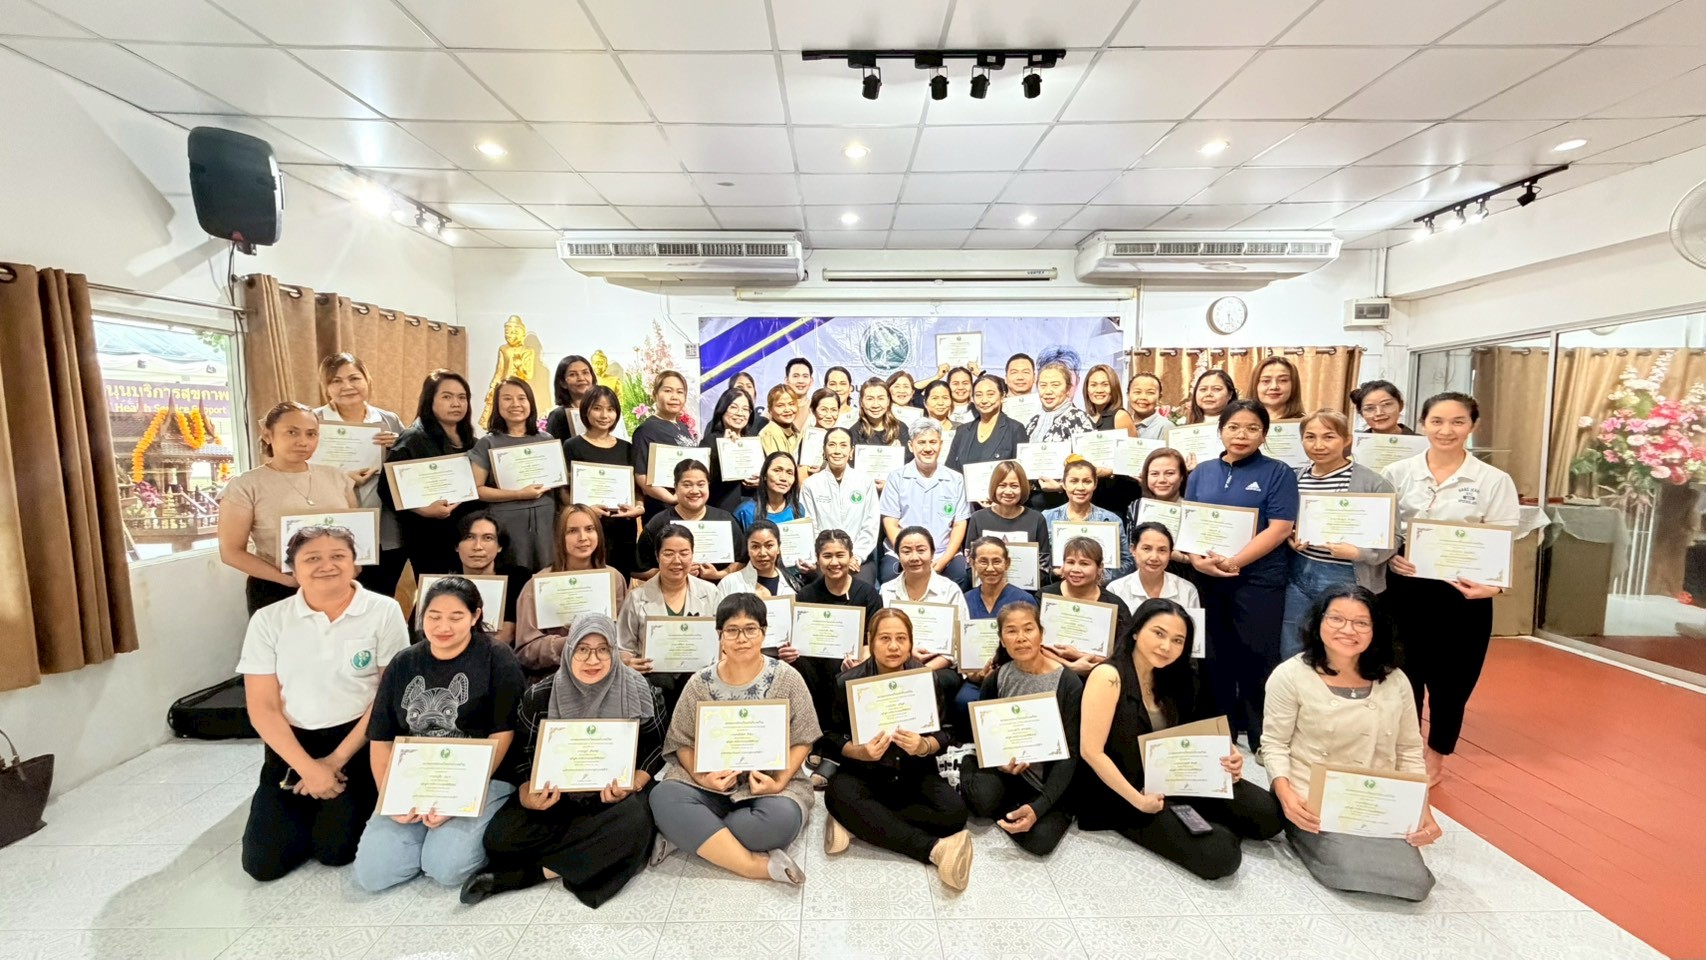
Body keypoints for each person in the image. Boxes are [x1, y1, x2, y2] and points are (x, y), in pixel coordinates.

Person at [237, 525, 408, 881]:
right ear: (293, 569)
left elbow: (386, 695)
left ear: (355, 564)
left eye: (338, 556)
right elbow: (263, 707)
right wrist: (309, 768)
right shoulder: (268, 620)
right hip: (291, 745)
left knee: (335, 851)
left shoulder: (383, 610)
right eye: (312, 558)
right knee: (263, 865)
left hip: (356, 742)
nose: (326, 566)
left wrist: (335, 760)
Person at [464, 613, 664, 907]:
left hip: (615, 798)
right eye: (582, 649)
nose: (593, 660)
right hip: (559, 797)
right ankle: (590, 852)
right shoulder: (540, 696)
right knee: (499, 838)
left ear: (614, 651)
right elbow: (522, 754)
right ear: (569, 650)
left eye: (603, 649)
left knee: (634, 824)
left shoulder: (639, 689)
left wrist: (635, 781)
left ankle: (529, 874)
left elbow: (655, 746)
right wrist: (527, 791)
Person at [1076, 598, 1283, 879]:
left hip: (1174, 775)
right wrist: (1138, 800)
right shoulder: (1108, 676)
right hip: (1126, 789)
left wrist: (1228, 755)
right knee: (1222, 855)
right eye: (1158, 633)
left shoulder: (1178, 675)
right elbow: (1091, 751)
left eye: (1177, 640)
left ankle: (1199, 817)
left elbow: (1199, 728)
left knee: (1269, 815)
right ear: (1136, 631)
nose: (1166, 647)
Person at [1262, 584, 1440, 900]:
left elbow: (1409, 749)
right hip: (1313, 799)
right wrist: (1286, 796)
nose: (1348, 630)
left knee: (1414, 883)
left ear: (1375, 630)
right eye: (1337, 619)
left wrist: (1420, 807)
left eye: (1361, 623)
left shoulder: (1395, 679)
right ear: (1318, 622)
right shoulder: (1290, 675)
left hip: (1377, 799)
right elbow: (1275, 744)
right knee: (1348, 870)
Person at [353, 576, 527, 892]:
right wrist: (391, 798)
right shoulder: (403, 662)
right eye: (434, 616)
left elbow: (502, 734)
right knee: (374, 874)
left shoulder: (497, 657)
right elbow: (381, 738)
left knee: (446, 868)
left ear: (475, 616)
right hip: (415, 776)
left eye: (456, 616)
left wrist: (457, 798)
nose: (443, 626)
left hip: (479, 777)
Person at [1382, 392, 1519, 784]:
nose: (1446, 430)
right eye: (1437, 421)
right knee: (1402, 675)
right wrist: (1391, 556)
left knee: (1452, 682)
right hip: (1405, 589)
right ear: (1422, 424)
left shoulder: (1493, 480)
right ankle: (1406, 751)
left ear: (1473, 426)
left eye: (1458, 421)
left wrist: (1494, 589)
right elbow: (1384, 529)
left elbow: (1504, 540)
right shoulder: (1397, 473)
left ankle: (1437, 753)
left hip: (1463, 595)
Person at [649, 593, 820, 885]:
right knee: (663, 796)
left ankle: (689, 833)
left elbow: (804, 738)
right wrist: (702, 778)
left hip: (769, 785)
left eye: (750, 629)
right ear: (720, 636)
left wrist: (778, 782)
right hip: (707, 785)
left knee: (779, 823)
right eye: (732, 630)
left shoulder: (787, 678)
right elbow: (681, 741)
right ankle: (754, 865)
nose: (741, 639)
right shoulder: (699, 683)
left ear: (764, 632)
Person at [822, 609, 973, 890]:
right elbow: (830, 736)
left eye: (901, 638)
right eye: (885, 638)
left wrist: (924, 745)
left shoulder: (927, 679)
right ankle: (935, 850)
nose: (893, 646)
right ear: (871, 641)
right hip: (865, 773)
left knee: (955, 815)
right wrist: (860, 752)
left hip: (914, 771)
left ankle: (857, 822)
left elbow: (947, 732)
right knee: (836, 794)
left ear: (911, 642)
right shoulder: (847, 682)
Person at [1182, 400, 1299, 753]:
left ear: (1264, 434)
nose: (1241, 435)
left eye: (1252, 428)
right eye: (1233, 427)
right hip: (1208, 578)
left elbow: (1280, 528)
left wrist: (1235, 562)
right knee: (1214, 655)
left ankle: (1262, 737)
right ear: (1220, 431)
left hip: (1258, 581)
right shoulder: (1202, 472)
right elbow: (1191, 523)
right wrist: (1195, 560)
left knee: (1257, 656)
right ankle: (1223, 732)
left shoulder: (1278, 472)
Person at [960, 601, 1083, 856]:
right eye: (1011, 631)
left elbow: (1071, 754)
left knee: (1040, 841)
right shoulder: (997, 678)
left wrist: (1040, 807)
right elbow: (985, 736)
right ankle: (966, 764)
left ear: (1041, 634)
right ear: (1002, 640)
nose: (1021, 638)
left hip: (1047, 777)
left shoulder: (1068, 683)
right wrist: (998, 763)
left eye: (1028, 629)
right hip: (1008, 771)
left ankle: (1025, 806)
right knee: (982, 800)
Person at [220, 402, 361, 614]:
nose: (303, 442)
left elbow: (356, 535)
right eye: (292, 432)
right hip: (276, 590)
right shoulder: (245, 485)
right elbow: (231, 552)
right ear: (268, 435)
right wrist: (287, 580)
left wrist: (352, 569)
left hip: (336, 587)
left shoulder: (337, 477)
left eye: (311, 434)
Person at [1281, 409, 1398, 658]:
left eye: (1329, 437)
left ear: (1347, 440)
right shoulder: (1295, 478)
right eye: (1310, 437)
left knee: (1342, 648)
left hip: (1348, 575)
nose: (1318, 445)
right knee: (1293, 644)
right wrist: (1291, 538)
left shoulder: (1373, 483)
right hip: (1300, 573)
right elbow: (1287, 522)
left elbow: (1393, 538)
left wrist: (1358, 552)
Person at [312, 352, 406, 597]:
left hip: (385, 530)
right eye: (336, 381)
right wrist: (344, 480)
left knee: (381, 596)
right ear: (326, 387)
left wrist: (399, 444)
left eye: (354, 378)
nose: (347, 386)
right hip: (331, 527)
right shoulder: (313, 420)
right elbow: (298, 473)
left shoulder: (388, 420)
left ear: (367, 380)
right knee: (335, 598)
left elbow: (408, 471)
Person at [513, 503, 632, 678]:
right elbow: (526, 652)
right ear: (560, 537)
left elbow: (623, 637)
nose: (583, 537)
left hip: (606, 673)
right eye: (572, 531)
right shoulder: (537, 585)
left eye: (589, 529)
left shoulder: (614, 578)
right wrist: (569, 643)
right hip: (556, 676)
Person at [617, 522, 722, 714]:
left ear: (692, 555)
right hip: (652, 681)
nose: (677, 560)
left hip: (700, 677)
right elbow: (623, 647)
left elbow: (722, 639)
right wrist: (628, 662)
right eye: (668, 553)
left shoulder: (710, 592)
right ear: (657, 556)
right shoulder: (637, 598)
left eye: (684, 553)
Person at [385, 370, 478, 577]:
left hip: (467, 536)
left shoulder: (472, 441)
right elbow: (387, 488)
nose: (456, 403)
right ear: (430, 400)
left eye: (462, 397)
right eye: (447, 397)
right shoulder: (413, 439)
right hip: (428, 537)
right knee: (436, 591)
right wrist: (423, 510)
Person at [794, 529, 886, 731]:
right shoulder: (806, 595)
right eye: (827, 556)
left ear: (851, 557)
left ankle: (851, 731)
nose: (834, 562)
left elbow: (873, 640)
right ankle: (816, 731)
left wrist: (859, 660)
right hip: (817, 663)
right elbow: (801, 639)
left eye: (840, 555)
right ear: (818, 559)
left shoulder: (867, 594)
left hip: (857, 660)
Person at [470, 377, 558, 572]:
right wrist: (519, 494)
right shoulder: (488, 443)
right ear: (497, 405)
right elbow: (477, 489)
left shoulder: (547, 440)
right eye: (507, 398)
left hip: (546, 524)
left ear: (530, 402)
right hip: (507, 525)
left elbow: (558, 484)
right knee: (512, 577)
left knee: (547, 576)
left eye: (521, 398)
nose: (515, 404)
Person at [955, 536, 1036, 730]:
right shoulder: (964, 600)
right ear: (972, 563)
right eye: (983, 561)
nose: (990, 568)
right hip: (977, 678)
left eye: (997, 561)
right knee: (963, 702)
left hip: (1017, 674)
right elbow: (960, 646)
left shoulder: (1024, 600)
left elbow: (1033, 644)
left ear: (1007, 563)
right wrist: (972, 674)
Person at [562, 385, 642, 577]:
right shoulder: (572, 446)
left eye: (610, 409)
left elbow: (637, 488)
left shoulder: (627, 448)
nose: (604, 415)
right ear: (586, 411)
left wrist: (639, 507)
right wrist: (584, 510)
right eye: (597, 408)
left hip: (622, 527)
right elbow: (563, 491)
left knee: (620, 580)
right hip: (588, 529)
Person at [878, 422, 970, 586]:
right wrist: (909, 554)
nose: (928, 448)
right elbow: (890, 524)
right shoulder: (896, 478)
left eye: (933, 442)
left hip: (943, 552)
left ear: (941, 445)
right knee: (889, 575)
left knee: (961, 574)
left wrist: (944, 560)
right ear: (911, 446)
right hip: (903, 552)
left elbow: (959, 524)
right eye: (921, 442)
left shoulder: (956, 479)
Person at [424, 510, 529, 648]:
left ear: (500, 546)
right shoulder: (439, 581)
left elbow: (507, 634)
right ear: (456, 545)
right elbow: (421, 631)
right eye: (469, 537)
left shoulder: (518, 578)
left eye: (488, 538)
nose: (477, 547)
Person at [635, 459, 743, 583]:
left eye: (701, 484)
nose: (695, 491)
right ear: (675, 487)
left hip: (718, 590)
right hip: (671, 591)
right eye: (687, 485)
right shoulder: (659, 522)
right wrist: (673, 572)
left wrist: (719, 574)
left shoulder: (725, 519)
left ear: (708, 485)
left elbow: (742, 561)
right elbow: (638, 570)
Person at [879, 525, 971, 668]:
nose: (914, 557)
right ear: (898, 555)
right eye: (906, 551)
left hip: (939, 666)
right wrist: (907, 654)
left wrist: (924, 671)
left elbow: (960, 642)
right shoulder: (887, 591)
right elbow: (880, 638)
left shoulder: (950, 590)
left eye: (921, 550)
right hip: (897, 661)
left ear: (932, 554)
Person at [1040, 537, 1133, 676]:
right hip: (1050, 673)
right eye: (1070, 562)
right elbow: (1035, 644)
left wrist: (1080, 656)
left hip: (1098, 676)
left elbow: (1122, 655)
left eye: (1084, 563)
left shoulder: (1115, 605)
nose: (1075, 569)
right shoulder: (1044, 596)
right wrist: (1070, 666)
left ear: (1100, 568)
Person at [800, 426, 880, 585]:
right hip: (824, 558)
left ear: (851, 452)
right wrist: (828, 555)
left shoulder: (865, 482)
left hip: (858, 558)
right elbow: (809, 526)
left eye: (843, 445)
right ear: (824, 450)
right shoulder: (810, 485)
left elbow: (871, 525)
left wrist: (855, 556)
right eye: (832, 445)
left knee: (861, 588)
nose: (837, 451)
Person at [1043, 457, 1135, 581]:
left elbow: (1127, 562)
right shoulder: (1047, 517)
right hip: (1060, 586)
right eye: (1074, 481)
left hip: (1100, 588)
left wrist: (1097, 575)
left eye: (1087, 481)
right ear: (1063, 484)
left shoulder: (1112, 520)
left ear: (1095, 484)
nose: (1080, 487)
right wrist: (1054, 573)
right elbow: (1040, 561)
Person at [632, 370, 698, 522]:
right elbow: (641, 476)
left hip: (687, 506)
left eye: (680, 392)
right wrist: (671, 498)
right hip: (662, 510)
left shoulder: (683, 427)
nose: (674, 397)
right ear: (655, 394)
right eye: (668, 391)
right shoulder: (646, 430)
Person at [964, 460, 1050, 574]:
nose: (1008, 491)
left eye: (1014, 486)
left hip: (1025, 585)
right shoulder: (977, 518)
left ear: (1023, 488)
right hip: (986, 583)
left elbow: (1044, 567)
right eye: (1002, 485)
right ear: (994, 487)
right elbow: (969, 564)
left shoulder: (1037, 519)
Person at [1124, 447, 1194, 582]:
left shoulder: (1193, 510)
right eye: (1154, 474)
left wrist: (1181, 557)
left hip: (1185, 579)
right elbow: (1131, 549)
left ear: (1181, 476)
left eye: (1169, 473)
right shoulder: (1136, 506)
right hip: (1143, 579)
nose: (1161, 479)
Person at [945, 373, 1027, 480]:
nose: (984, 400)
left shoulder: (1015, 429)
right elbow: (950, 472)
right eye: (978, 395)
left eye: (990, 394)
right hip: (964, 490)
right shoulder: (962, 431)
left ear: (1002, 396)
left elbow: (1022, 473)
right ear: (972, 398)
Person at [716, 519, 802, 620]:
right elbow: (717, 623)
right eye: (755, 546)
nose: (762, 553)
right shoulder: (729, 583)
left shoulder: (792, 585)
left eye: (769, 546)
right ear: (748, 549)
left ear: (779, 548)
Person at [1084, 363, 1140, 516]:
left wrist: (1109, 471)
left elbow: (1133, 461)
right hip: (1092, 494)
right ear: (1087, 389)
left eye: (1105, 384)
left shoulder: (1120, 416)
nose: (1099, 390)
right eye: (1093, 385)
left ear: (1114, 388)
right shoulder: (1085, 418)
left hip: (1116, 496)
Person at [1108, 521, 1201, 612]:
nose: (1154, 557)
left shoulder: (1187, 590)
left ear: (1170, 553)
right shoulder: (1116, 590)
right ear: (1133, 549)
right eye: (1147, 549)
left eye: (1162, 550)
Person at [703, 386, 763, 514]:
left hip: (752, 511)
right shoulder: (709, 442)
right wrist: (724, 448)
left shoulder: (753, 442)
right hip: (722, 510)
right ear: (722, 410)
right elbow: (704, 478)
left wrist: (761, 480)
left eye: (745, 409)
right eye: (734, 407)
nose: (740, 413)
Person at [546, 354, 626, 441]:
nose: (581, 378)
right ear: (563, 383)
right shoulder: (558, 416)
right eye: (572, 374)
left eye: (585, 372)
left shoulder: (608, 410)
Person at [733, 451, 804, 531]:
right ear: (764, 475)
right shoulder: (745, 511)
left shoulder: (798, 509)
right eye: (777, 470)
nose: (784, 478)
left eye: (789, 473)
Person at [1249, 356, 1305, 424]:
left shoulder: (1305, 424)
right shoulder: (1242, 422)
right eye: (1266, 381)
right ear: (1255, 385)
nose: (1274, 386)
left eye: (1283, 380)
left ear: (1294, 385)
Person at [758, 385, 802, 458]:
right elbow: (779, 463)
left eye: (791, 404)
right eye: (780, 405)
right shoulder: (770, 434)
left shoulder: (794, 430)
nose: (787, 410)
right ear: (770, 410)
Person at [1127, 372, 1169, 440]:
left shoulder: (1166, 427)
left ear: (1159, 397)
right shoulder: (1122, 423)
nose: (1143, 397)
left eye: (1150, 393)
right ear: (1128, 395)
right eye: (1137, 392)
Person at [1002, 353, 1039, 424]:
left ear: (1034, 377)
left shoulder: (1045, 406)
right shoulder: (995, 406)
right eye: (1014, 372)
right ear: (1006, 378)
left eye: (1026, 372)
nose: (1020, 377)